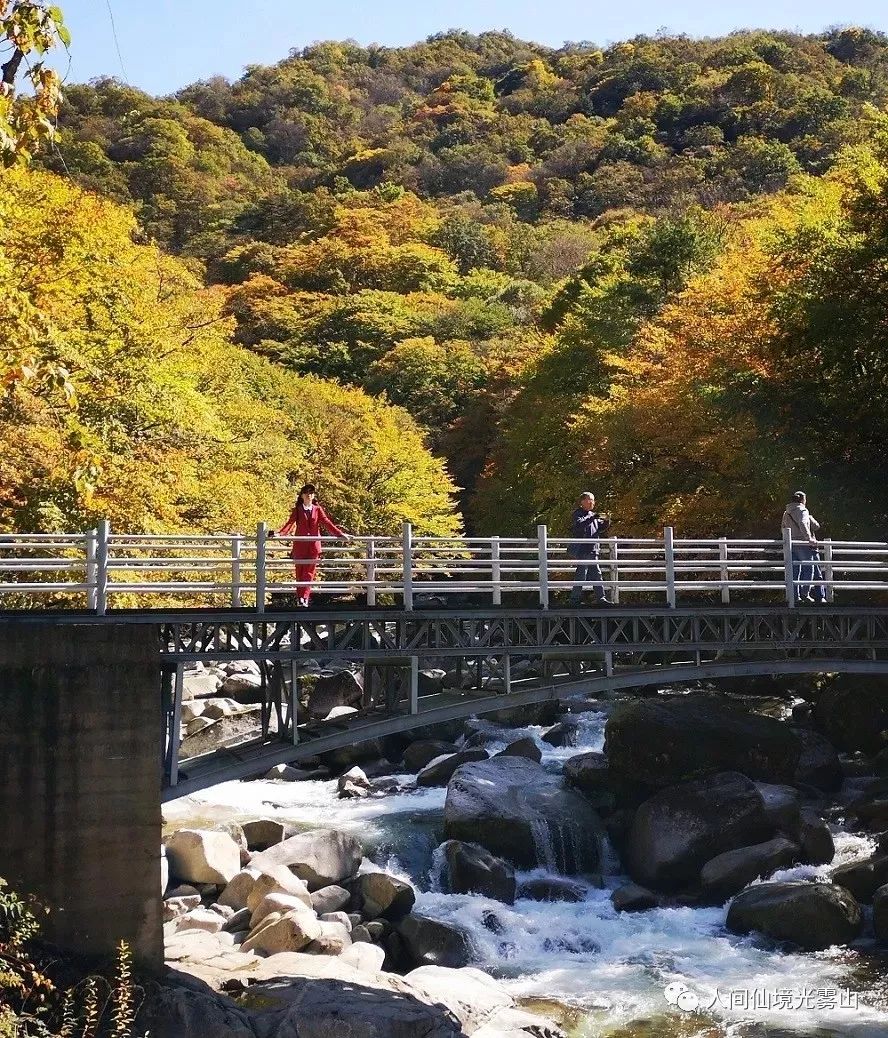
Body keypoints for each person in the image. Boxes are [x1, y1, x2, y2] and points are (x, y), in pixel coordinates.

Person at [273, 485, 349, 607]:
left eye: (311, 493)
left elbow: (327, 523)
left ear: (313, 496)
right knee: (300, 572)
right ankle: (300, 598)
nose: (309, 495)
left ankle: (304, 598)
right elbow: (290, 524)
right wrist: (279, 534)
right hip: (300, 546)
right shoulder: (298, 510)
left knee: (309, 573)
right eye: (306, 493)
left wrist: (340, 534)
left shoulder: (317, 509)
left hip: (313, 547)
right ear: (302, 495)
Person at [568, 491, 613, 606]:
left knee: (597, 575)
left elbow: (600, 528)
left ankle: (601, 599)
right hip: (583, 549)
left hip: (593, 549)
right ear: (583, 501)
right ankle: (574, 600)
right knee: (581, 574)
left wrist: (607, 521)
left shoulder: (593, 515)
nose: (593, 502)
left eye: (593, 500)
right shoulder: (578, 514)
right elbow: (579, 526)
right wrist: (592, 517)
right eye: (590, 500)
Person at [781, 491, 826, 604]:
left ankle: (795, 596)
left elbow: (783, 527)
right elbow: (803, 523)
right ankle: (805, 594)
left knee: (794, 571)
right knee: (809, 569)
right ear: (803, 500)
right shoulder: (803, 510)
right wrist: (808, 538)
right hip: (802, 544)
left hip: (791, 544)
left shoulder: (786, 512)